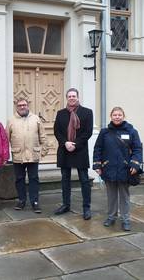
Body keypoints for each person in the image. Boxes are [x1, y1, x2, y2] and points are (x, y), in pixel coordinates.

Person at [93, 107, 142, 231]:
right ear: (111, 116)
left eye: (119, 114)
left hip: (125, 169)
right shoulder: (104, 132)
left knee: (124, 196)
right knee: (111, 195)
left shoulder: (131, 131)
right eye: (115, 115)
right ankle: (111, 217)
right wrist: (98, 165)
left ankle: (125, 219)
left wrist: (135, 164)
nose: (117, 117)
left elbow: (137, 149)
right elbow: (98, 149)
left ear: (123, 116)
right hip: (108, 168)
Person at [54, 88, 93, 220]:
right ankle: (66, 204)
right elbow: (57, 131)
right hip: (65, 149)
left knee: (84, 180)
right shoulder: (60, 113)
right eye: (69, 96)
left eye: (74, 96)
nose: (71, 98)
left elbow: (88, 132)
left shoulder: (87, 112)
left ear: (77, 97)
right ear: (66, 98)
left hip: (80, 150)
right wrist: (65, 143)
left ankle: (86, 207)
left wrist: (75, 144)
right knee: (65, 179)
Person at [6, 98, 48, 213]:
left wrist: (44, 151)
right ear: (16, 107)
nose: (22, 107)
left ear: (28, 105)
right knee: (19, 179)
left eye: (24, 105)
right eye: (20, 105)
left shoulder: (36, 119)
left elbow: (43, 136)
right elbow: (6, 139)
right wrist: (5, 154)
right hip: (18, 155)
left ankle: (35, 202)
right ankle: (21, 200)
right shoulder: (11, 120)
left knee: (34, 179)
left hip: (33, 154)